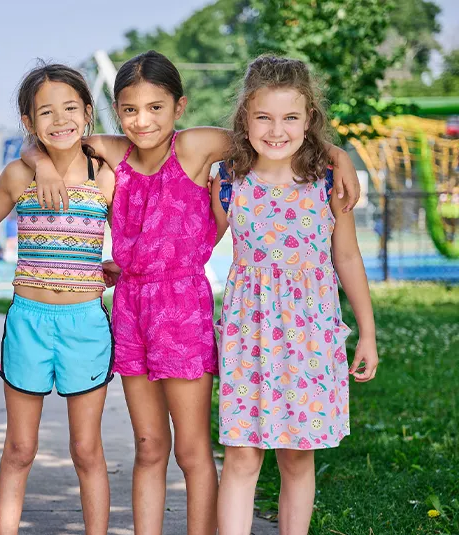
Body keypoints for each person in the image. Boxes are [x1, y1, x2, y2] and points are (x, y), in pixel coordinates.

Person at [20, 50, 361, 535]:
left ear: (179, 107)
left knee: (193, 450)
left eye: (155, 107)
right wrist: (44, 167)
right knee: (149, 446)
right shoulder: (110, 152)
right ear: (117, 110)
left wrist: (339, 155)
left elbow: (272, 137)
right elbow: (46, 141)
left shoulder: (197, 146)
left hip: (183, 309)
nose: (142, 121)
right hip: (132, 309)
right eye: (130, 110)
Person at [211, 55, 378, 535]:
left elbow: (347, 258)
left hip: (310, 339)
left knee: (297, 456)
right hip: (250, 337)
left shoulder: (328, 182)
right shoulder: (228, 183)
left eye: (290, 117)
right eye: (263, 116)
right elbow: (197, 244)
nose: (276, 129)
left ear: (310, 121)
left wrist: (366, 332)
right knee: (242, 455)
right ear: (245, 118)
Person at [0, 63, 116, 535]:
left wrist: (121, 267)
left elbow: (132, 242)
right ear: (28, 121)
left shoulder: (104, 175)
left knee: (86, 450)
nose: (59, 119)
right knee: (20, 449)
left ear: (87, 112)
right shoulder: (18, 173)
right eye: (46, 112)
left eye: (70, 108)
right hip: (28, 323)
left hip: (85, 323)